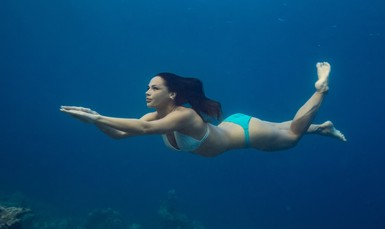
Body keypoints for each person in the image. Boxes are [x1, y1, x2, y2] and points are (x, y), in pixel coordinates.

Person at [60, 62, 346, 157]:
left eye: (154, 88)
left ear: (172, 93)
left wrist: (96, 116)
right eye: (147, 88)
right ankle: (323, 128)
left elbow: (145, 130)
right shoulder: (154, 115)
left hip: (247, 134)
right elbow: (120, 135)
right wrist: (93, 119)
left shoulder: (182, 115)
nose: (147, 92)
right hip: (231, 126)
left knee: (292, 135)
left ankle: (321, 89)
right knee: (283, 127)